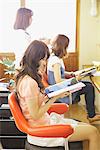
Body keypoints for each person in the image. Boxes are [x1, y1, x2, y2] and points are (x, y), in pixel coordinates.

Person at [15, 40, 100, 150]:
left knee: (88, 129)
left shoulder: (28, 77)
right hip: (42, 132)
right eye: (44, 59)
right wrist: (53, 98)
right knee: (93, 132)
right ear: (36, 59)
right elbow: (35, 115)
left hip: (45, 123)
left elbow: (36, 105)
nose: (45, 63)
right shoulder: (30, 82)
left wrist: (54, 96)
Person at [47, 34, 100, 123]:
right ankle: (91, 115)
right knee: (89, 87)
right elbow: (58, 81)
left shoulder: (55, 58)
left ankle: (92, 114)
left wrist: (72, 74)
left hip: (62, 87)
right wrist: (76, 80)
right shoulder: (55, 61)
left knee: (88, 85)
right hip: (61, 91)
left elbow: (61, 73)